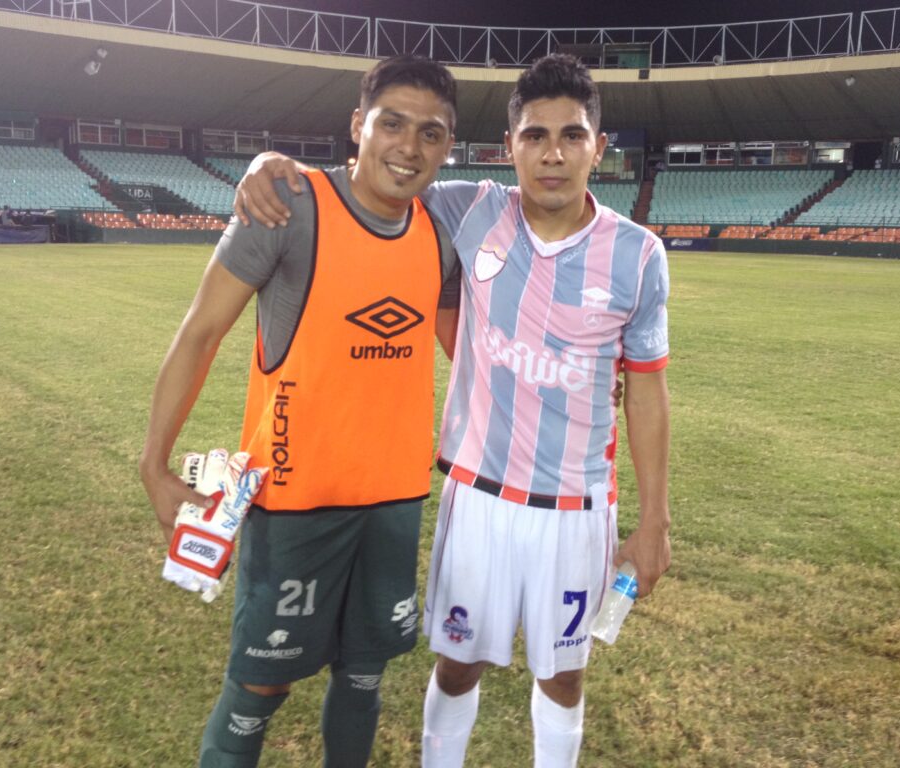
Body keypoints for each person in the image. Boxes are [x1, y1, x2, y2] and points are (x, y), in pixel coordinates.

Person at [236, 53, 671, 768]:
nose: (553, 154)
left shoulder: (638, 255)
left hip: (577, 508)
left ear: (599, 145)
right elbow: (369, 176)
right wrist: (270, 160)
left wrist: (654, 521)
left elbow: (649, 388)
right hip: (477, 496)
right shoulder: (470, 209)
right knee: (458, 664)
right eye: (535, 136)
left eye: (572, 135)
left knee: (563, 674)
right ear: (511, 147)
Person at [139, 54, 461, 768]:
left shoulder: (439, 235)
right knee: (259, 685)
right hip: (293, 505)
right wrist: (154, 464)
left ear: (447, 147)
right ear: (358, 125)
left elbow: (472, 353)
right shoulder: (286, 206)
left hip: (395, 503)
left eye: (432, 134)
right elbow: (200, 332)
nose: (409, 147)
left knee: (365, 672)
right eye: (393, 124)